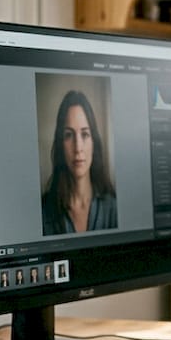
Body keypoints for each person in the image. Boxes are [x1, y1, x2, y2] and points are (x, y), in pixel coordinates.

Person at [40, 90, 118, 234]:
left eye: (85, 134)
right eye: (69, 135)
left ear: (94, 142)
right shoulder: (43, 211)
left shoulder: (114, 208)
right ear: (60, 144)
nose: (78, 148)